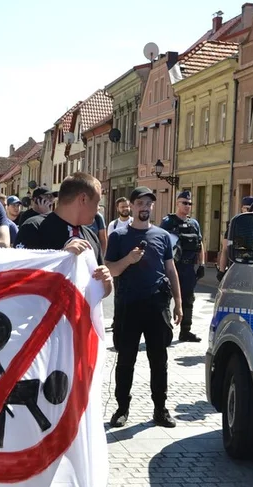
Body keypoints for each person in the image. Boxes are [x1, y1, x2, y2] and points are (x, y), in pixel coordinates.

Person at [105, 186, 182, 429]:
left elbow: (171, 269)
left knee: (159, 359)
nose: (145, 208)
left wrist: (179, 303)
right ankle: (122, 409)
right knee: (126, 359)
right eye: (140, 203)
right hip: (128, 304)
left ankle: (160, 408)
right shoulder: (118, 236)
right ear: (131, 205)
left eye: (148, 203)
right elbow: (110, 270)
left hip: (156, 304)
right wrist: (128, 259)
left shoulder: (161, 235)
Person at [17, 172, 113, 298]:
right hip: (44, 315)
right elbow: (19, 279)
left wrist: (107, 284)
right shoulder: (34, 228)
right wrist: (62, 257)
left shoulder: (91, 236)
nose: (98, 209)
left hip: (79, 316)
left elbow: (99, 292)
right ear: (83, 199)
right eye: (96, 202)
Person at [160, 190, 205, 343]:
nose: (187, 206)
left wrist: (202, 264)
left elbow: (200, 244)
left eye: (190, 203)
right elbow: (161, 244)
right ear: (177, 203)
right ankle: (164, 331)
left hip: (187, 269)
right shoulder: (168, 222)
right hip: (172, 266)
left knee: (188, 300)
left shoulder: (194, 224)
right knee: (165, 298)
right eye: (184, 203)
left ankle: (186, 331)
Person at [218, 195, 253, 278]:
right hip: (237, 265)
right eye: (247, 209)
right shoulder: (236, 224)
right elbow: (225, 249)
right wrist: (221, 271)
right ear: (242, 209)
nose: (251, 212)